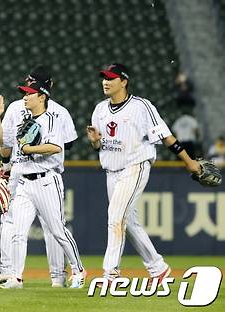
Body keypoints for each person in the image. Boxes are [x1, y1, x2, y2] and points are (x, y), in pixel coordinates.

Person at [86, 63, 202, 286]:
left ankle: (111, 274)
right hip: (111, 171)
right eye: (104, 78)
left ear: (124, 81)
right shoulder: (100, 109)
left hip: (135, 166)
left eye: (111, 78)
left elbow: (166, 136)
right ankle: (158, 268)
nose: (105, 82)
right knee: (128, 221)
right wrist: (95, 142)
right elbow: (99, 145)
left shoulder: (141, 107)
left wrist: (189, 162)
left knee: (116, 218)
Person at [0, 79, 86, 289]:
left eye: (29, 94)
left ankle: (78, 270)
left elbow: (56, 147)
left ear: (42, 97)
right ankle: (16, 278)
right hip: (24, 182)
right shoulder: (24, 120)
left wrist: (29, 149)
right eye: (24, 93)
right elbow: (3, 146)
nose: (25, 97)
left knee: (58, 231)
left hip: (46, 180)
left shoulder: (52, 119)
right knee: (18, 231)